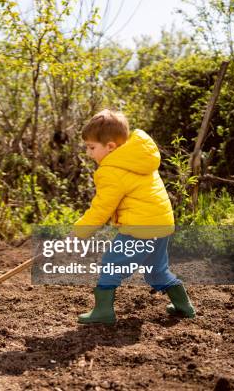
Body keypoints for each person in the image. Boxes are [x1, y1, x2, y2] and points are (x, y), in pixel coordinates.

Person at [73, 109, 196, 324]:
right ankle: (184, 306)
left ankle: (103, 312)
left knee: (111, 264)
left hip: (140, 227)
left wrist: (81, 230)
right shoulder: (139, 158)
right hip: (161, 224)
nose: (89, 153)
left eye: (92, 147)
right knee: (156, 271)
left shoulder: (112, 170)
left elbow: (102, 208)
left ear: (110, 146)